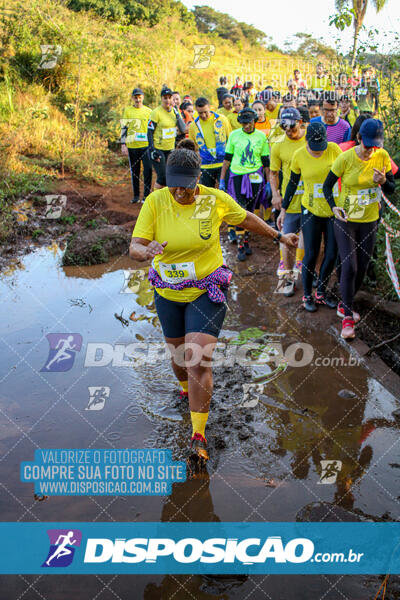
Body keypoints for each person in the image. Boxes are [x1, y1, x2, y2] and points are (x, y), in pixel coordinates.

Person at [129, 147, 298, 465]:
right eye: (174, 184)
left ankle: (198, 436)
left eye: (186, 185)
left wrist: (279, 236)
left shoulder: (214, 199)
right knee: (179, 359)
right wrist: (145, 249)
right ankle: (184, 391)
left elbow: (245, 218)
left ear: (197, 180)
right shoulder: (155, 202)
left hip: (207, 290)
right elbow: (134, 247)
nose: (180, 191)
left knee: (197, 361)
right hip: (167, 292)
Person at [322, 119, 395, 339]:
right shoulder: (346, 158)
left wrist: (383, 180)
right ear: (359, 138)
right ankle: (346, 319)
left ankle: (346, 303)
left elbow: (391, 189)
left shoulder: (382, 156)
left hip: (370, 220)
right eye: (367, 145)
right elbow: (327, 185)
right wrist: (333, 206)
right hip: (346, 220)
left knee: (362, 266)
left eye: (375, 145)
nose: (370, 150)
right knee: (350, 266)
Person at [282, 122, 342, 312]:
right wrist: (284, 209)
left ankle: (321, 292)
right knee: (311, 253)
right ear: (306, 140)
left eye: (320, 147)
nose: (318, 152)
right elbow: (292, 183)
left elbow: (346, 173)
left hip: (332, 209)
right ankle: (307, 294)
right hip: (310, 209)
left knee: (332, 253)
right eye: (314, 148)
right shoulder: (299, 155)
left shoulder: (334, 150)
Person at [220, 107, 271, 258]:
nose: (246, 126)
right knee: (240, 210)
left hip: (256, 176)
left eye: (248, 123)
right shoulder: (235, 135)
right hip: (237, 176)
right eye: (243, 123)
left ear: (254, 121)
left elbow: (266, 162)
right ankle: (241, 246)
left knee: (249, 210)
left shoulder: (261, 137)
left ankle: (246, 240)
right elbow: (227, 159)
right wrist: (222, 179)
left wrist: (268, 182)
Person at [271, 108, 307, 297]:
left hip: (311, 200)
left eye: (292, 127)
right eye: (284, 127)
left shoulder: (311, 138)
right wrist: (276, 194)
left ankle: (308, 274)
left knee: (311, 240)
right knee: (286, 239)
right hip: (290, 201)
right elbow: (273, 173)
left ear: (300, 122)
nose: (289, 131)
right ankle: (287, 277)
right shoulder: (278, 145)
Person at [147, 87, 186, 189]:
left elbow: (183, 129)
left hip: (170, 149)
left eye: (169, 98)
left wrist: (177, 113)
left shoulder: (175, 112)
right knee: (163, 177)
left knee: (170, 175)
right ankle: (154, 201)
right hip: (158, 149)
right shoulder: (156, 112)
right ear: (161, 99)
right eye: (165, 98)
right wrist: (152, 150)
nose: (167, 100)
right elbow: (149, 132)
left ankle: (167, 200)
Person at [188, 96, 231, 188]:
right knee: (206, 195)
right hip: (205, 166)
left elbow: (230, 139)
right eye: (200, 113)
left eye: (205, 112)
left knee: (225, 194)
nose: (203, 115)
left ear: (210, 108)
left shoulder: (222, 119)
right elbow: (193, 147)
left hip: (223, 164)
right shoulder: (193, 126)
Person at [121, 87, 152, 203]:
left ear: (143, 97)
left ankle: (146, 196)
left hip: (146, 146)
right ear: (132, 98)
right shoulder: (128, 111)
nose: (137, 100)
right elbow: (124, 127)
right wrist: (123, 144)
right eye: (135, 97)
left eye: (139, 97)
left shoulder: (149, 111)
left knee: (148, 170)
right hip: (132, 146)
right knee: (135, 171)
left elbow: (152, 129)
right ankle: (136, 196)